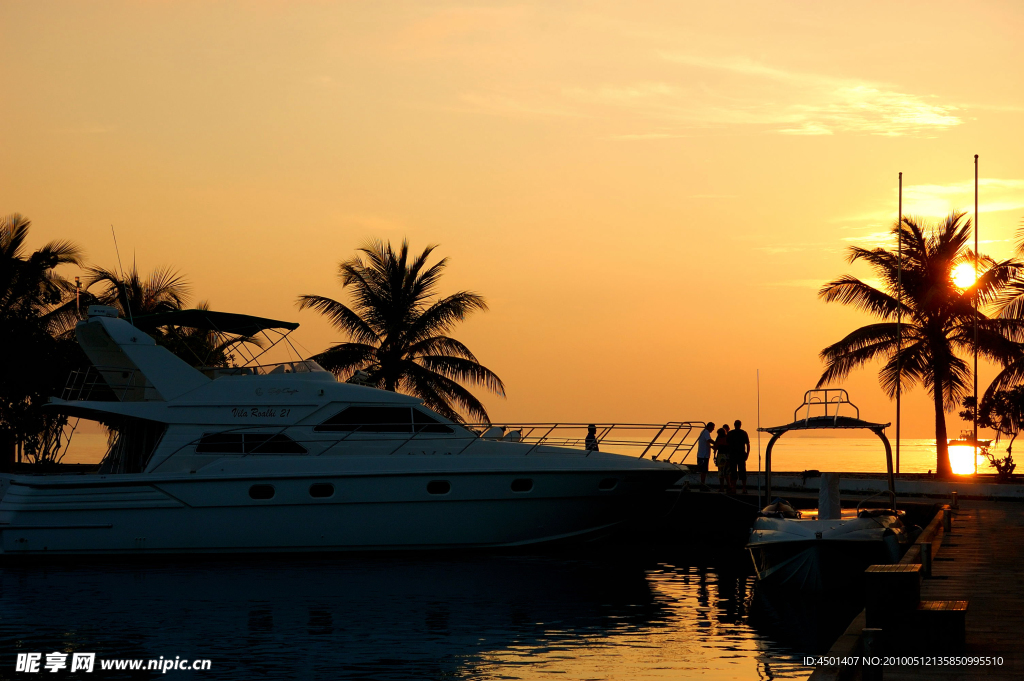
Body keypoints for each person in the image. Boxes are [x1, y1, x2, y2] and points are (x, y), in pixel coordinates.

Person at [727, 419, 751, 494]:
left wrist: (747, 454)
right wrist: (747, 454)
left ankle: (735, 488)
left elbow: (727, 445)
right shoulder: (743, 433)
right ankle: (742, 488)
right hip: (739, 455)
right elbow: (748, 444)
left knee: (734, 472)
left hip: (734, 455)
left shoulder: (730, 433)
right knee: (741, 471)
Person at [695, 422, 714, 489]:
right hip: (703, 455)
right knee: (703, 471)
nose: (712, 430)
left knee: (703, 471)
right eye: (712, 428)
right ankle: (702, 485)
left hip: (702, 454)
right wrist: (716, 443)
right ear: (709, 427)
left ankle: (702, 484)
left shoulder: (703, 432)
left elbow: (706, 442)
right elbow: (708, 440)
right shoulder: (706, 432)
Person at [714, 424, 730, 492]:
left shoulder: (720, 440)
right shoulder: (728, 439)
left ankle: (722, 487)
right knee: (727, 473)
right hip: (727, 457)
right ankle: (729, 486)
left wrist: (714, 455)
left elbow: (715, 447)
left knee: (721, 473)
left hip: (721, 457)